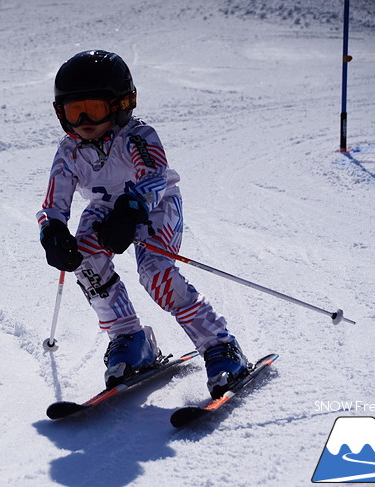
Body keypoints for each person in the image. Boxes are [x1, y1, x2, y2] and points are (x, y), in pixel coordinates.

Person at [36, 50, 249, 398]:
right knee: (85, 261)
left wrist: (132, 210)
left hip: (155, 205)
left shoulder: (138, 137)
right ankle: (129, 338)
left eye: (96, 108)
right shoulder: (69, 150)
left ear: (121, 104)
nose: (85, 120)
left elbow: (154, 178)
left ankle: (220, 345)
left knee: (156, 274)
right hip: (105, 207)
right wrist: (53, 231)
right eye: (75, 111)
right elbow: (53, 203)